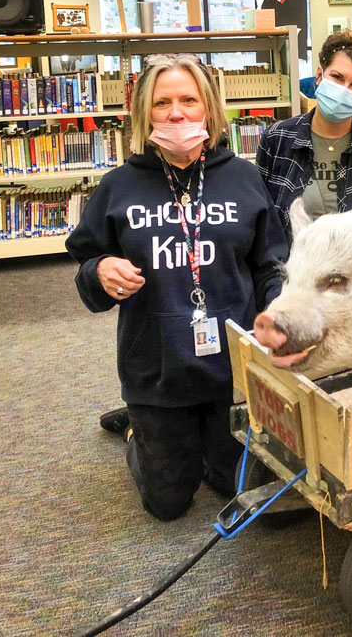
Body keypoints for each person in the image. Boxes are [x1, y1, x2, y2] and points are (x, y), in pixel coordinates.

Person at [66, 53, 288, 521]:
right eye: (162, 102)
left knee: (238, 489)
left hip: (232, 370)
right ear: (145, 113)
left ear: (208, 108)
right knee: (168, 503)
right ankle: (136, 431)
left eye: (188, 99)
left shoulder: (245, 179)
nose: (176, 113)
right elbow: (86, 266)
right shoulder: (119, 186)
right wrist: (101, 269)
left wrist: (277, 312)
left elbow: (270, 265)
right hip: (157, 372)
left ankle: (192, 438)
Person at [256, 28, 352, 240]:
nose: (344, 90)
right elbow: (263, 225)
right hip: (292, 267)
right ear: (319, 75)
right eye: (337, 77)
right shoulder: (277, 139)